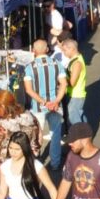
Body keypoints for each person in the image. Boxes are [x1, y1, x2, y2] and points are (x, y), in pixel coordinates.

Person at [23, 39, 69, 171]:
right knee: (55, 134)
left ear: (33, 51)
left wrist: (43, 102)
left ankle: (36, 161)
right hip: (55, 105)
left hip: (38, 106)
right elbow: (64, 84)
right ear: (47, 50)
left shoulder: (29, 67)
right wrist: (56, 101)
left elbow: (29, 90)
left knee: (36, 134)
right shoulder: (57, 64)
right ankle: (55, 162)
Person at [0, 90, 42, 189]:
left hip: (9, 171)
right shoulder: (30, 116)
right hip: (30, 166)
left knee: (11, 195)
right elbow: (39, 138)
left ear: (2, 106)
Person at [61, 39, 87, 127]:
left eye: (65, 50)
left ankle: (80, 134)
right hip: (75, 93)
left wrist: (62, 80)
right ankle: (87, 132)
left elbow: (72, 82)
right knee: (79, 114)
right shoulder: (76, 59)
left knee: (73, 117)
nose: (63, 53)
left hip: (76, 94)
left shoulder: (76, 63)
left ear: (72, 49)